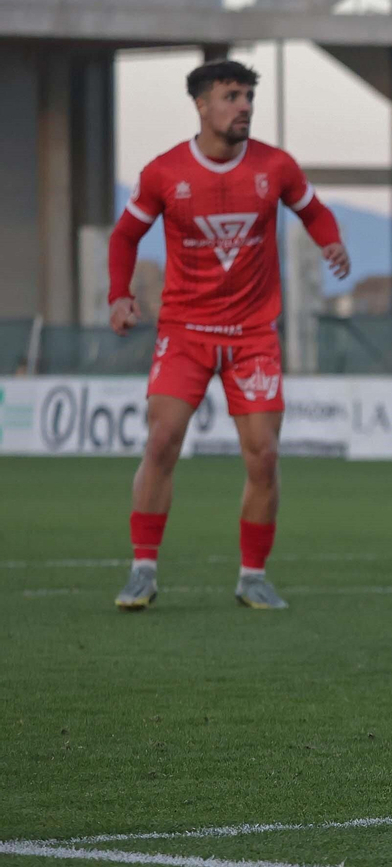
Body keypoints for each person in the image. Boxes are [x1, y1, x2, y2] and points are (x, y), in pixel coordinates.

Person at [108, 59, 350, 612]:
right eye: (231, 96)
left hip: (252, 336)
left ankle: (253, 576)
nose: (244, 106)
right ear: (201, 104)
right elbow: (125, 236)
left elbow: (314, 212)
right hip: (185, 331)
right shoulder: (165, 173)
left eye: (248, 96)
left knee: (263, 455)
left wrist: (330, 241)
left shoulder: (275, 166)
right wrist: (118, 295)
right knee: (163, 441)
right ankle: (142, 569)